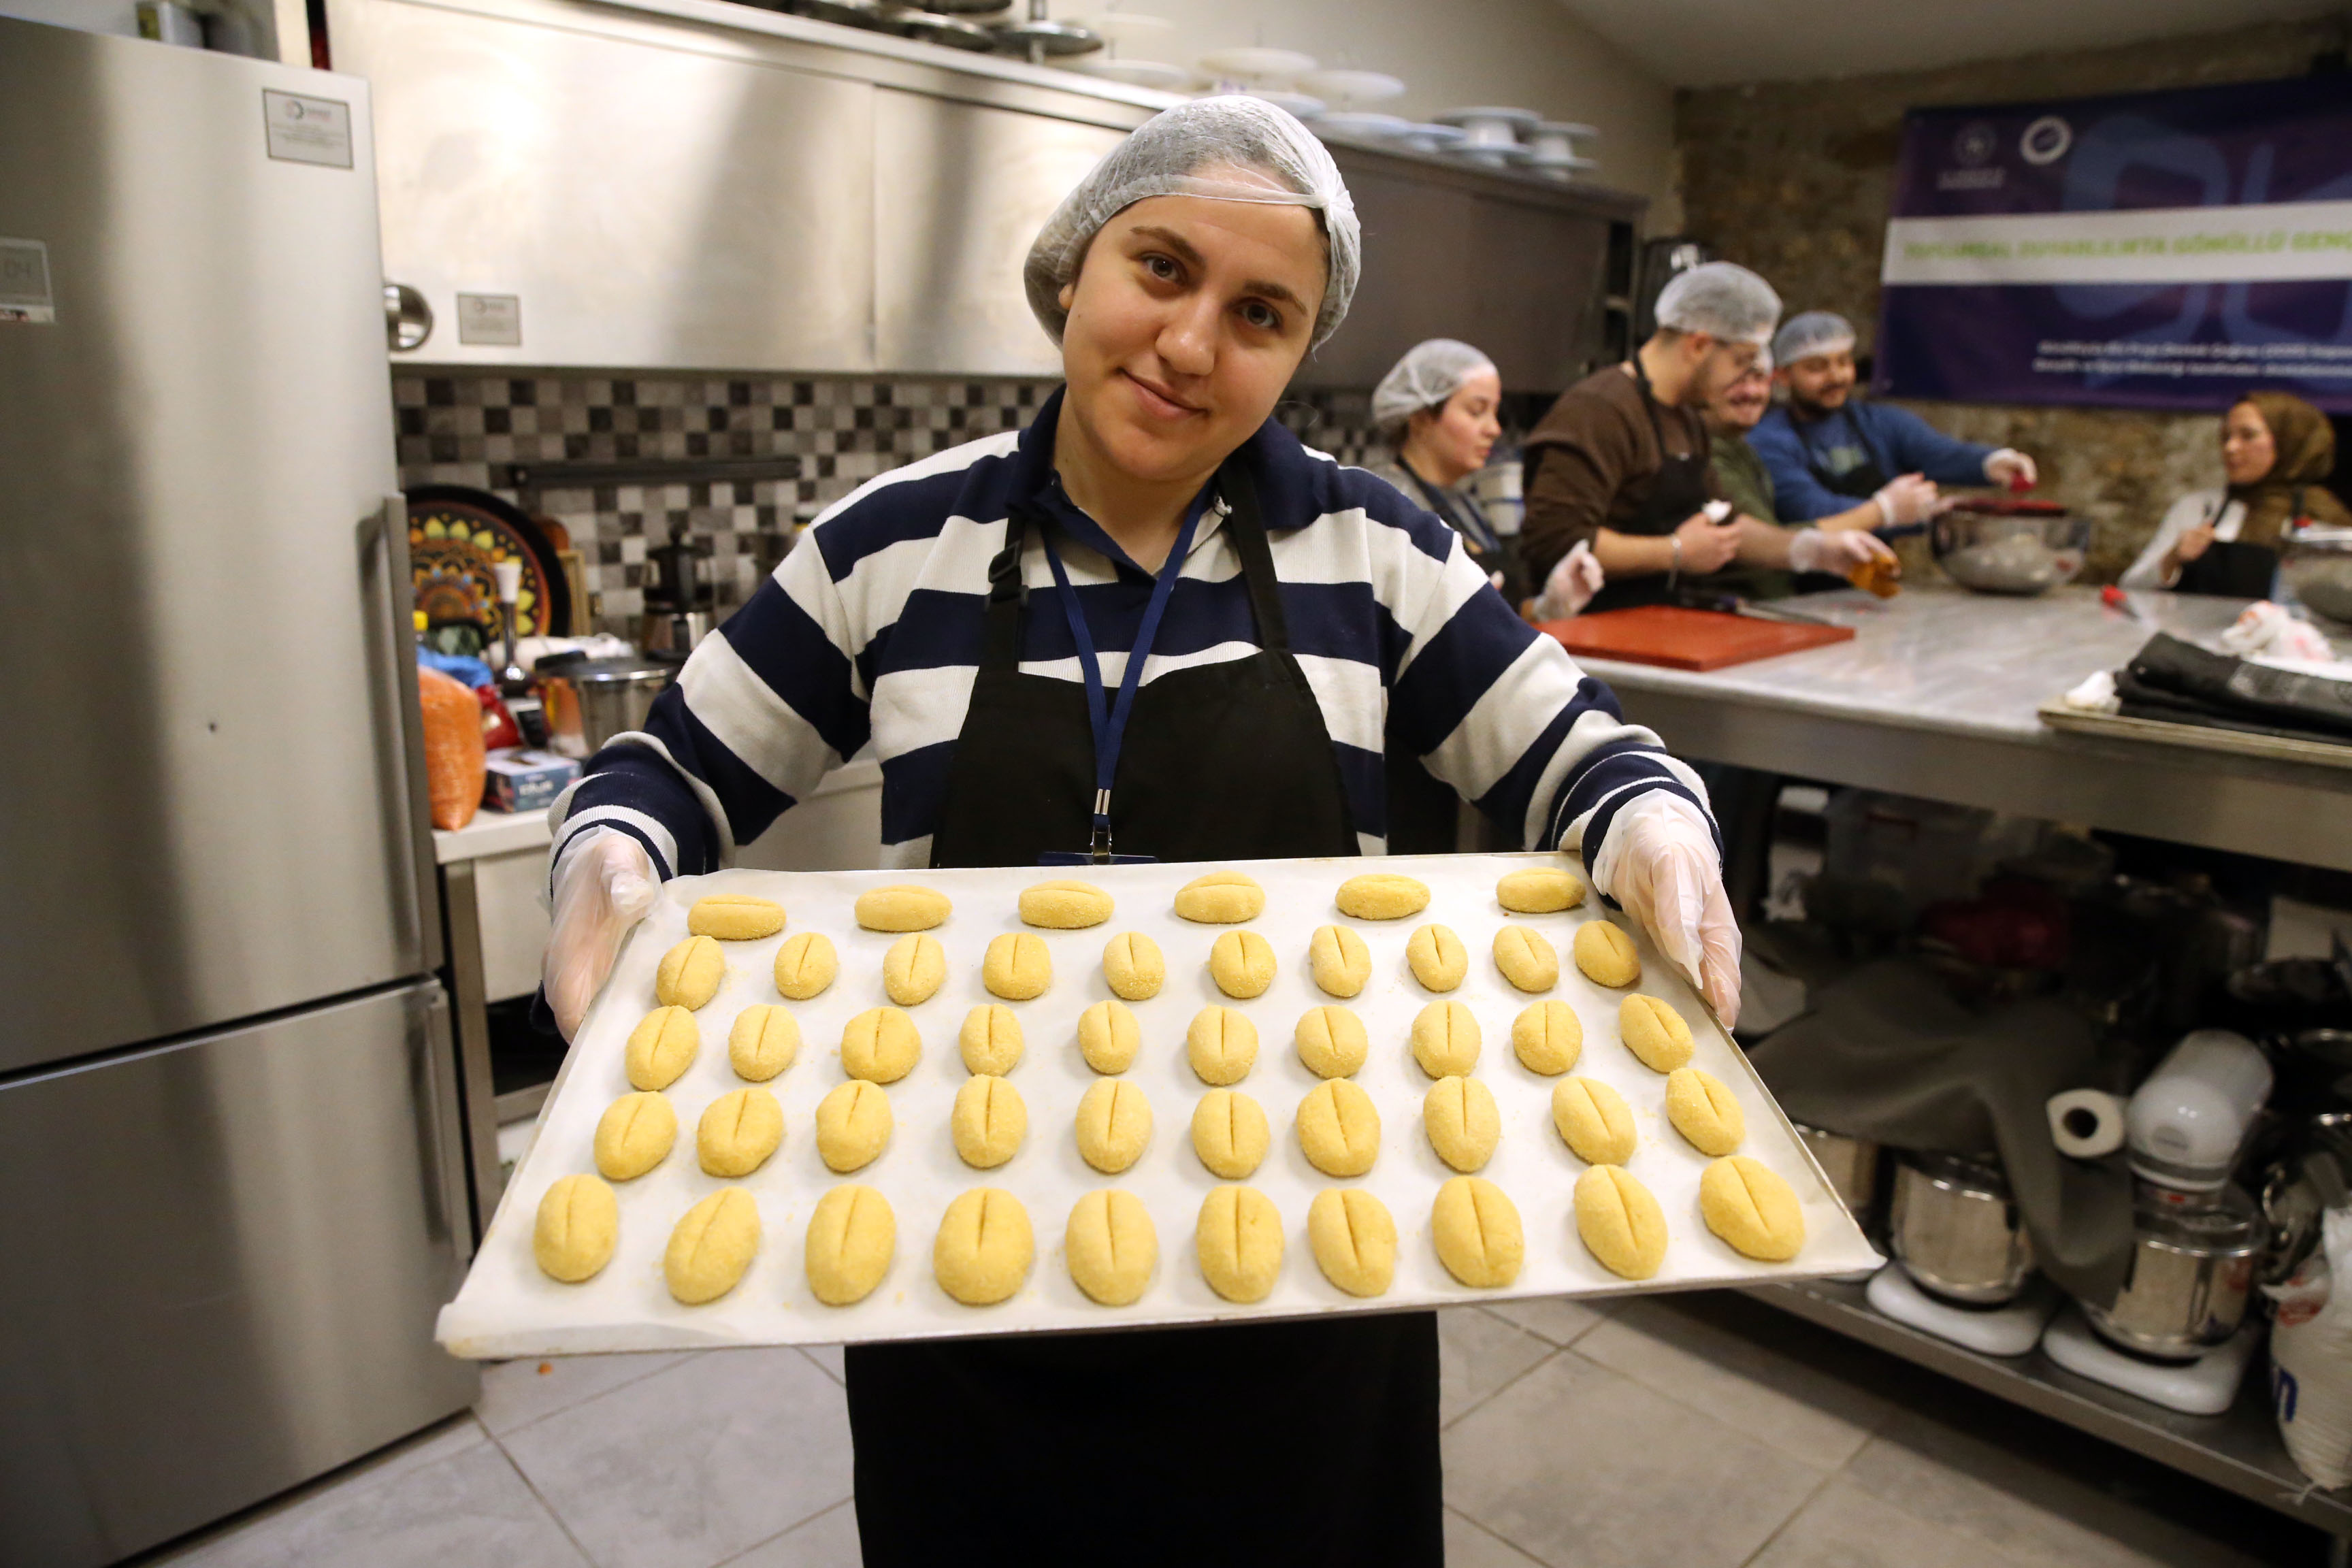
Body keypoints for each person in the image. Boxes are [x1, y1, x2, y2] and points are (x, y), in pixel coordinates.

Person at [535, 97, 1742, 1568]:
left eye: (1260, 313)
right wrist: (608, 859)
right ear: (1072, 268)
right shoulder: (894, 547)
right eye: (1161, 270)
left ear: (1303, 353)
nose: (1189, 345)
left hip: (1308, 1254)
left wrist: (1655, 824)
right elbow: (668, 775)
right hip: (961, 1266)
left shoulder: (1379, 554)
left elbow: (1583, 758)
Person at [1520, 263, 1894, 612]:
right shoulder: (1600, 410)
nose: (1742, 380)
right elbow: (1556, 541)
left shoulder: (1688, 418)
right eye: (1740, 361)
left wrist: (1814, 551)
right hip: (1587, 644)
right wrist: (1674, 552)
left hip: (1652, 627)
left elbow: (1725, 526)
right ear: (1698, 346)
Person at [1749, 310, 2036, 525]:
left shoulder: (1880, 422)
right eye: (1817, 367)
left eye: (1843, 362)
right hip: (1798, 581)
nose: (1835, 376)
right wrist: (1891, 511)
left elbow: (1938, 453)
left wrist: (1992, 462)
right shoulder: (1767, 440)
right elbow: (1810, 509)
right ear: (1783, 376)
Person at [1704, 347, 1900, 599]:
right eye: (1736, 380)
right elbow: (1753, 537)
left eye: (1759, 379)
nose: (1751, 392)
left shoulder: (1742, 447)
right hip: (1720, 609)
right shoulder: (1714, 452)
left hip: (1772, 603)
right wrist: (1884, 511)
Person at [2121, 390, 2352, 595]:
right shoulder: (2199, 508)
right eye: (2226, 437)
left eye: (2248, 435)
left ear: (2289, 441)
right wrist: (2171, 560)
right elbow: (2129, 588)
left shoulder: (2323, 518)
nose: (2231, 448)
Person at [1362, 338, 1524, 604]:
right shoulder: (1388, 503)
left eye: (1495, 412)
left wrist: (1549, 607)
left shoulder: (1466, 503)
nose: (1494, 429)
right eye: (1477, 411)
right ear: (1421, 417)